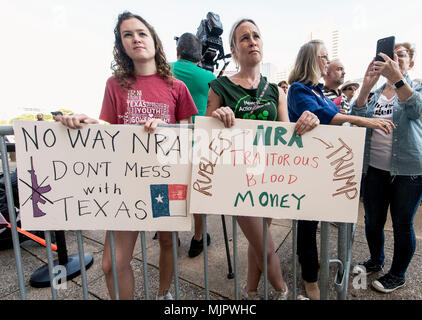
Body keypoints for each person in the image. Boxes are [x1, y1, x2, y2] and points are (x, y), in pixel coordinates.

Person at [57, 11, 198, 300]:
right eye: (127, 35)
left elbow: (190, 135)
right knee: (112, 263)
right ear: (121, 45)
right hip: (127, 184)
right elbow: (107, 130)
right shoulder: (115, 85)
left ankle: (163, 294)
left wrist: (167, 129)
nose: (135, 39)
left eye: (141, 33)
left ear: (154, 40)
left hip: (165, 181)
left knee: (169, 244)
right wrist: (83, 125)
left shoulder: (177, 87)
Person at [206, 18, 320, 300]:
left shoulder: (275, 91)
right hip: (236, 178)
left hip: (270, 177)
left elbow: (287, 134)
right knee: (267, 247)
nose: (252, 41)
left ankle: (251, 291)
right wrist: (217, 116)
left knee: (259, 243)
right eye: (244, 38)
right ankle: (283, 293)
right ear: (234, 49)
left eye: (256, 35)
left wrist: (308, 119)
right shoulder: (219, 87)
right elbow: (205, 130)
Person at [287, 39, 395, 300]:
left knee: (314, 222)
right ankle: (310, 277)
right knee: (307, 224)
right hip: (307, 168)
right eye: (323, 57)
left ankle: (312, 263)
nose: (327, 61)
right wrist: (364, 120)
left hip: (323, 166)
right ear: (311, 60)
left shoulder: (319, 91)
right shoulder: (298, 89)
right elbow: (325, 118)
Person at [351, 42, 422, 293]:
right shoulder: (376, 91)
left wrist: (398, 80)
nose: (394, 60)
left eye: (400, 56)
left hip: (408, 172)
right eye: (390, 56)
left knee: (402, 224)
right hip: (375, 170)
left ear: (410, 63)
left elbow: (416, 110)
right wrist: (365, 88)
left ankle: (398, 274)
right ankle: (376, 259)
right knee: (372, 221)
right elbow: (358, 117)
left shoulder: (418, 87)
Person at [170, 32, 215, 257]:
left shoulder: (163, 70)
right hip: (199, 139)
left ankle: (172, 237)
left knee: (169, 188)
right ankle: (198, 238)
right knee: (198, 190)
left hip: (168, 140)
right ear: (199, 56)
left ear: (178, 52)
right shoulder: (207, 76)